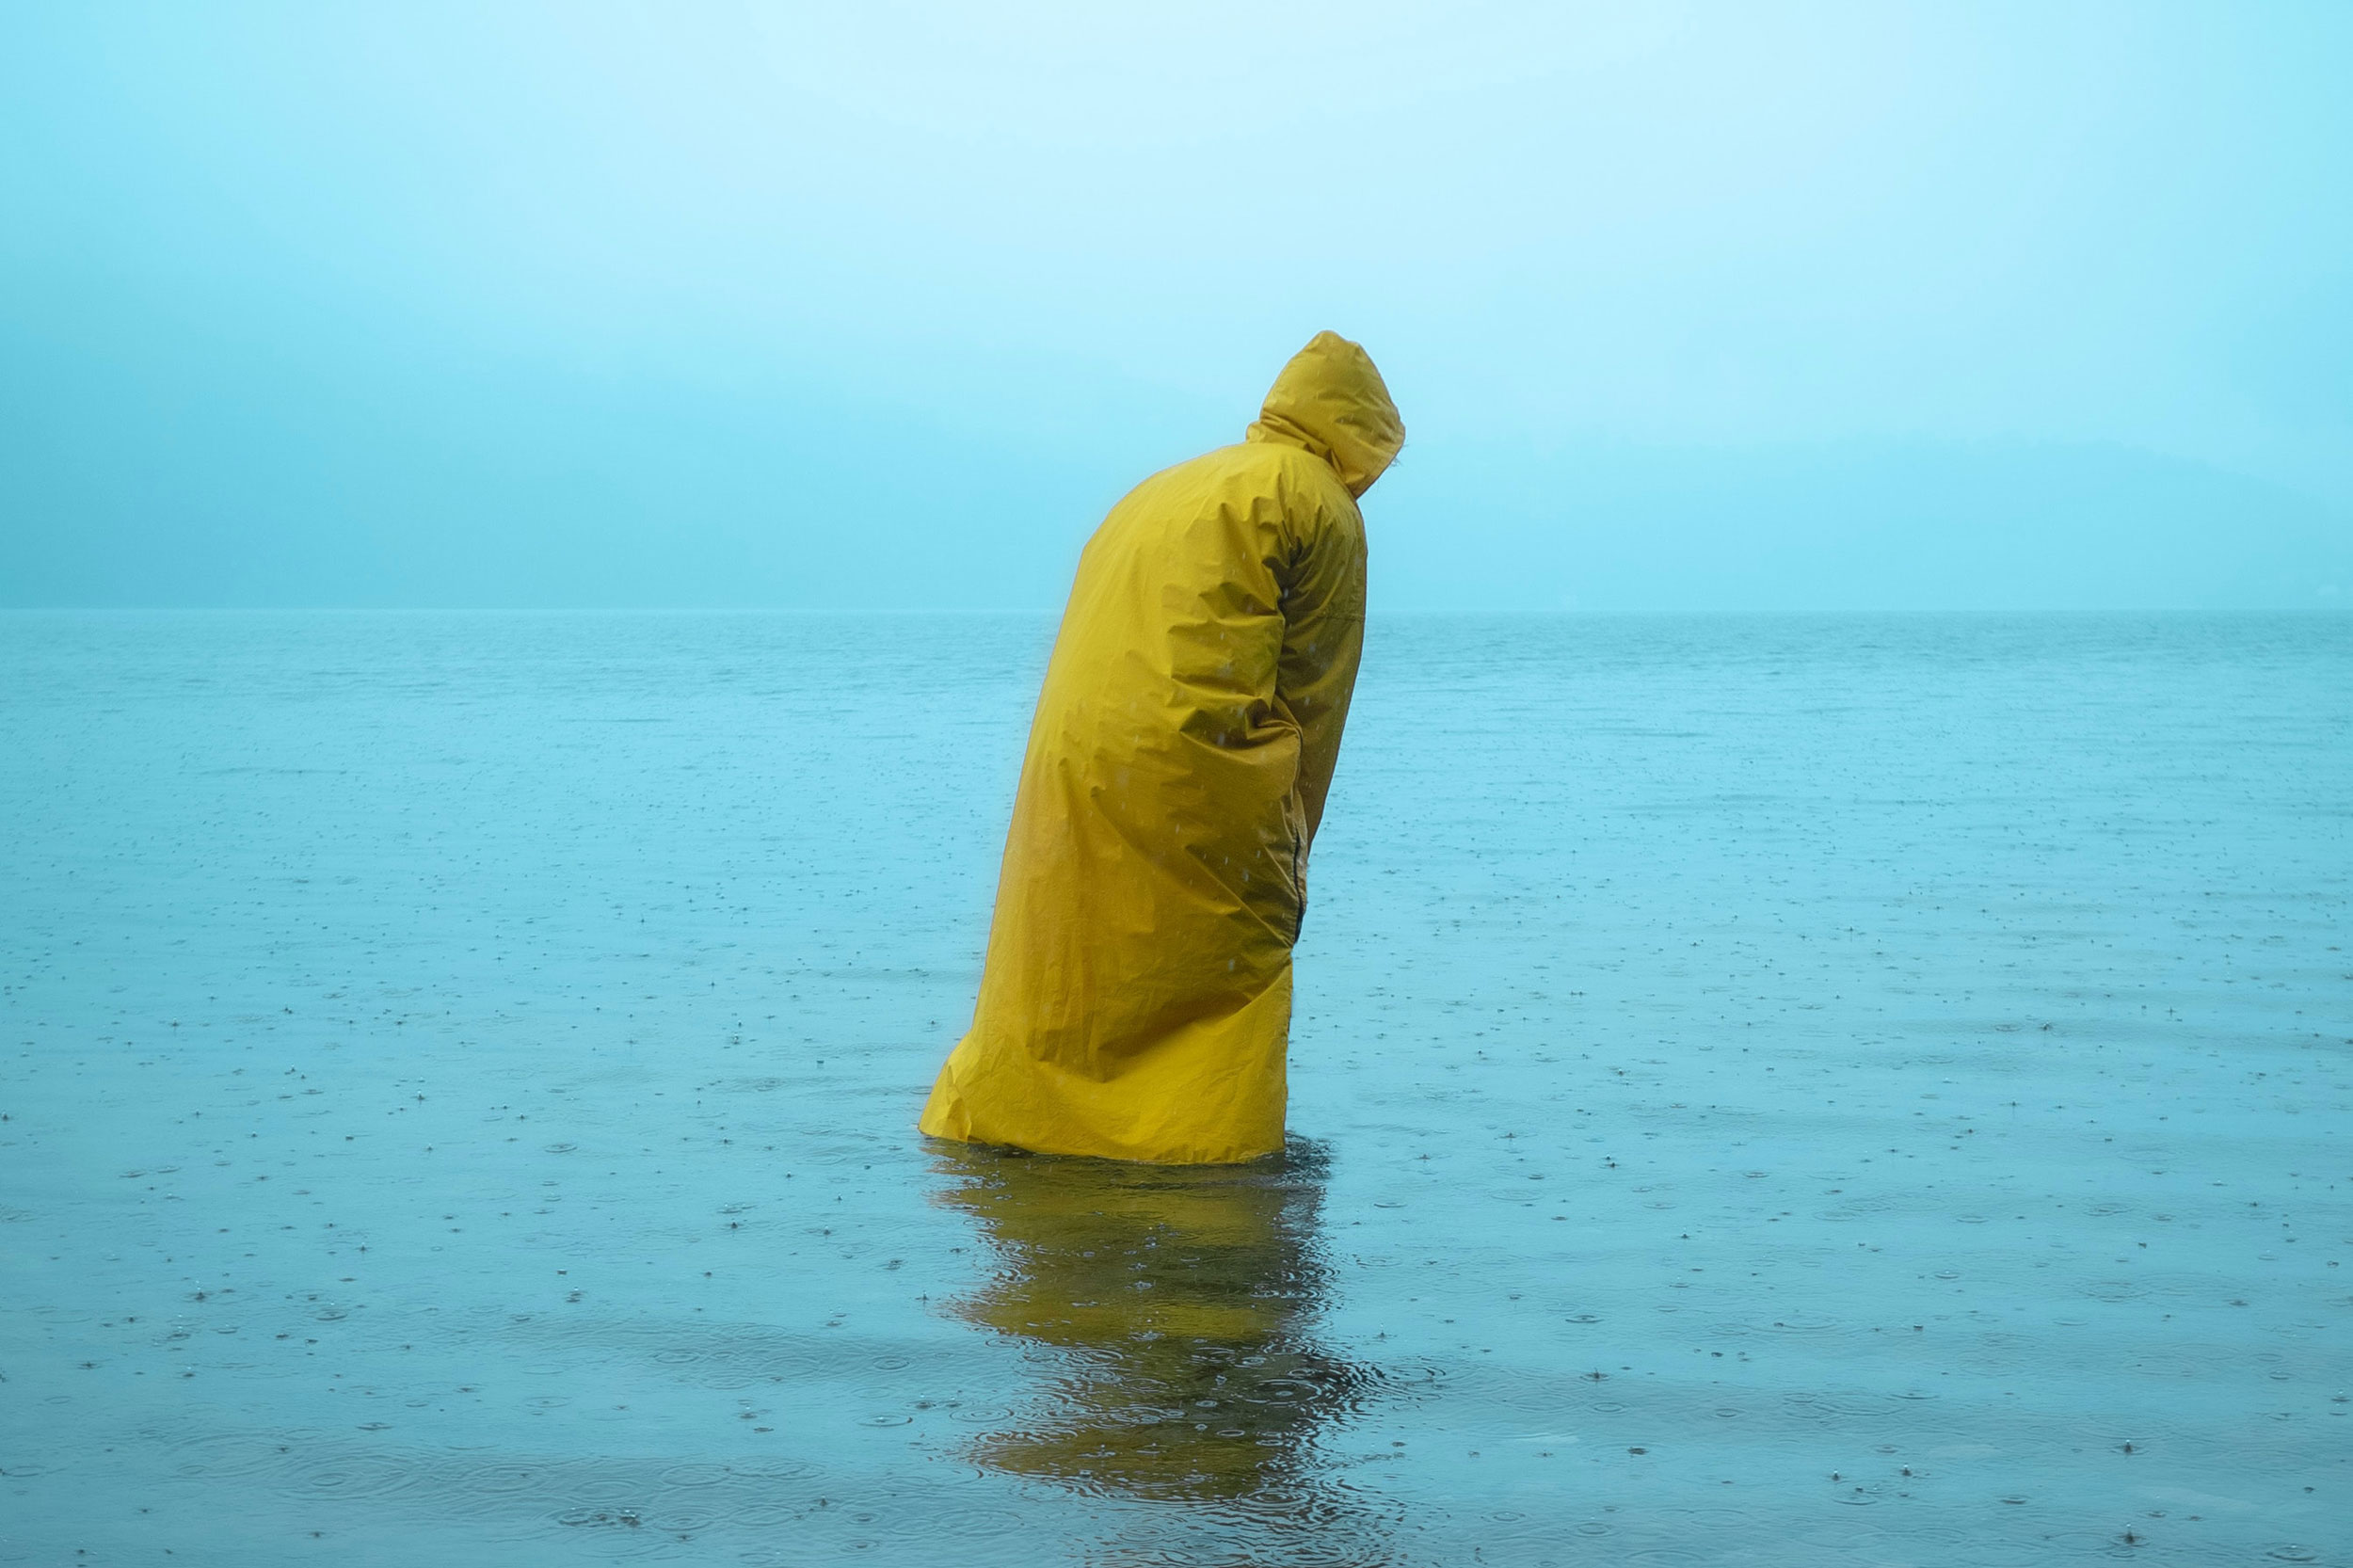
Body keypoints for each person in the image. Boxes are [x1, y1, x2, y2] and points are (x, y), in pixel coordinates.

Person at [918, 331, 1404, 1163]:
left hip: (1072, 753)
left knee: (1071, 942)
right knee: (1229, 961)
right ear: (1364, 432)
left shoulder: (1165, 487)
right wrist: (1287, 860)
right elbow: (1314, 697)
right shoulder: (1319, 502)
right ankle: (1204, 1163)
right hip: (1196, 757)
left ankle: (1024, 1124)